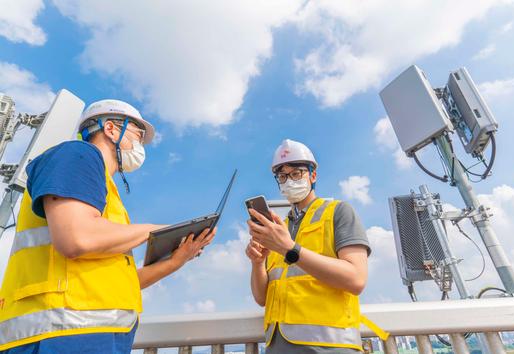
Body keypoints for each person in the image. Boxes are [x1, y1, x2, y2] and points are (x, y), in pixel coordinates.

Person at [0, 99, 215, 353]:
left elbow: (119, 281)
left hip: (90, 336)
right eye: (138, 134)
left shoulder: (104, 192)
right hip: (60, 335)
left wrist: (175, 261)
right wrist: (153, 231)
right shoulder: (76, 155)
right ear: (111, 129)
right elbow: (75, 238)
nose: (140, 144)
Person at [245, 139, 388, 353]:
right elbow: (262, 298)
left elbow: (356, 279)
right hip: (278, 347)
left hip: (329, 346)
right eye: (282, 176)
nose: (288, 181)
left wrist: (289, 249)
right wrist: (257, 263)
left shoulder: (338, 212)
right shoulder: (279, 229)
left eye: (296, 173)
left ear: (313, 175)